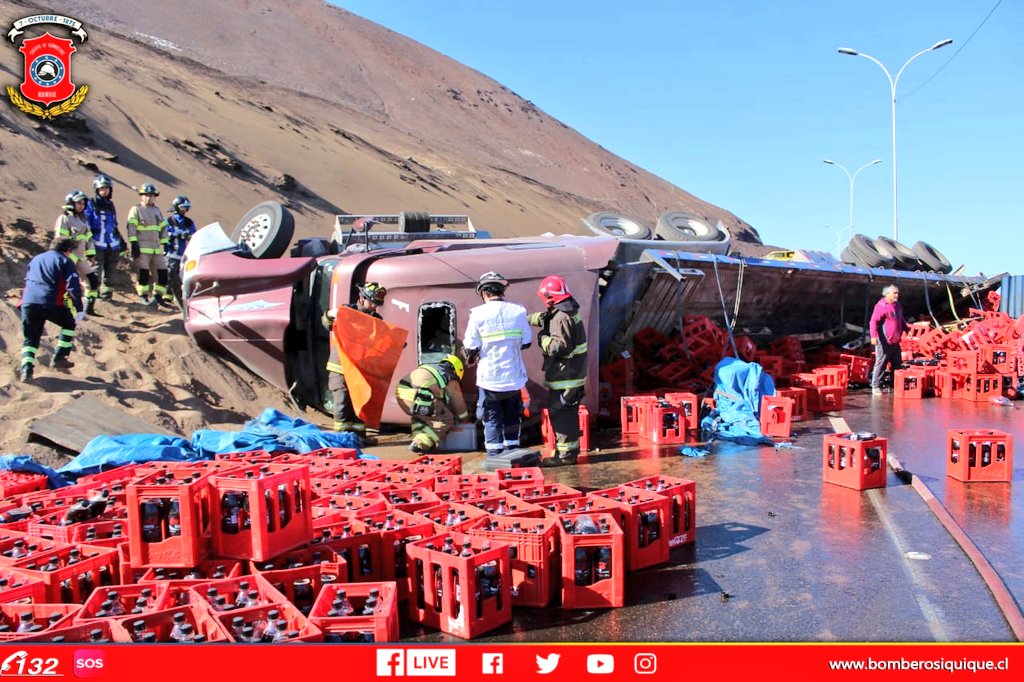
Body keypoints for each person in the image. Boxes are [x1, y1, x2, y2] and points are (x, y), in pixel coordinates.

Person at [463, 271, 532, 456]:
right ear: (502, 291)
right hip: (514, 377)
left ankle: (494, 456)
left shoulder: (477, 314)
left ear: (484, 293)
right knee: (512, 415)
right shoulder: (519, 310)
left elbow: (470, 345)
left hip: (490, 379)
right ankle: (513, 451)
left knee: (491, 417)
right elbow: (527, 341)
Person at [529, 275, 588, 466]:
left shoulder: (561, 317)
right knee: (566, 414)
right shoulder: (567, 310)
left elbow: (560, 347)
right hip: (573, 376)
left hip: (566, 378)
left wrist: (542, 340)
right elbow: (547, 317)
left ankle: (565, 457)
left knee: (560, 414)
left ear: (549, 296)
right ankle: (567, 454)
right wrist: (526, 318)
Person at [322, 282, 387, 442]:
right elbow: (327, 324)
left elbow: (382, 343)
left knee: (360, 403)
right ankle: (342, 439)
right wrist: (330, 314)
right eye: (371, 302)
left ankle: (359, 438)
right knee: (342, 401)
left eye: (376, 304)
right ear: (362, 298)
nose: (374, 306)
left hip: (361, 370)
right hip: (342, 366)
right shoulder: (347, 312)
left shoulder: (376, 320)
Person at [18, 238, 85, 382]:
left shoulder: (36, 259)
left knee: (31, 338)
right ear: (68, 250)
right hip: (49, 301)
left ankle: (26, 368)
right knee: (69, 323)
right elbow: (73, 286)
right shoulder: (65, 261)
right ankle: (60, 357)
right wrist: (79, 308)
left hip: (28, 302)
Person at [395, 353, 470, 453]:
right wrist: (464, 419)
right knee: (446, 419)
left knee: (421, 418)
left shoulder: (430, 368)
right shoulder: (450, 376)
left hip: (402, 395)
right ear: (457, 369)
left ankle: (418, 440)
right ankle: (422, 444)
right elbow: (457, 402)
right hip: (421, 395)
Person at [54, 189, 101, 315]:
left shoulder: (83, 219)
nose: (81, 206)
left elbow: (89, 238)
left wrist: (91, 255)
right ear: (71, 203)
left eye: (83, 203)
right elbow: (60, 240)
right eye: (78, 203)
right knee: (68, 283)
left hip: (81, 257)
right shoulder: (65, 218)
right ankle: (65, 307)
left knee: (93, 280)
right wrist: (64, 256)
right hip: (69, 257)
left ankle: (89, 308)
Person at [125, 182, 171, 307]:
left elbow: (163, 227)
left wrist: (165, 242)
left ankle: (158, 296)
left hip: (156, 249)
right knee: (143, 274)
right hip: (142, 248)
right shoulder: (136, 210)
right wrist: (133, 243)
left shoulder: (157, 211)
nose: (149, 197)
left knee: (163, 273)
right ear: (142, 196)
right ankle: (143, 296)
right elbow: (132, 227)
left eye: (152, 195)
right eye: (146, 195)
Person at [84, 174, 126, 302]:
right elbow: (86, 224)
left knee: (111, 274)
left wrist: (121, 240)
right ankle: (91, 298)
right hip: (97, 243)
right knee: (95, 271)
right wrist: (87, 243)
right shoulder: (91, 204)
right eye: (102, 188)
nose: (105, 190)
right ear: (97, 189)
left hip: (112, 244)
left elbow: (114, 224)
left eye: (107, 188)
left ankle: (106, 297)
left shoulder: (110, 205)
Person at [869, 284, 908, 395]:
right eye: (894, 293)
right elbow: (873, 322)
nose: (897, 295)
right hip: (884, 341)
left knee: (897, 364)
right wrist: (873, 336)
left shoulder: (898, 305)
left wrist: (907, 329)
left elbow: (901, 319)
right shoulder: (881, 306)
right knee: (881, 363)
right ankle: (876, 386)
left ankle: (893, 385)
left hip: (895, 341)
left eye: (897, 293)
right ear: (887, 294)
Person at [165, 195, 196, 305]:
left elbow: (194, 235)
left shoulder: (189, 222)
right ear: (177, 207)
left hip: (184, 255)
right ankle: (166, 295)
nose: (185, 210)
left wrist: (189, 236)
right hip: (172, 253)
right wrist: (179, 234)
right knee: (170, 275)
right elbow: (165, 233)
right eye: (182, 207)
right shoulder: (170, 220)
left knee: (181, 277)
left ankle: (179, 298)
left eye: (186, 208)